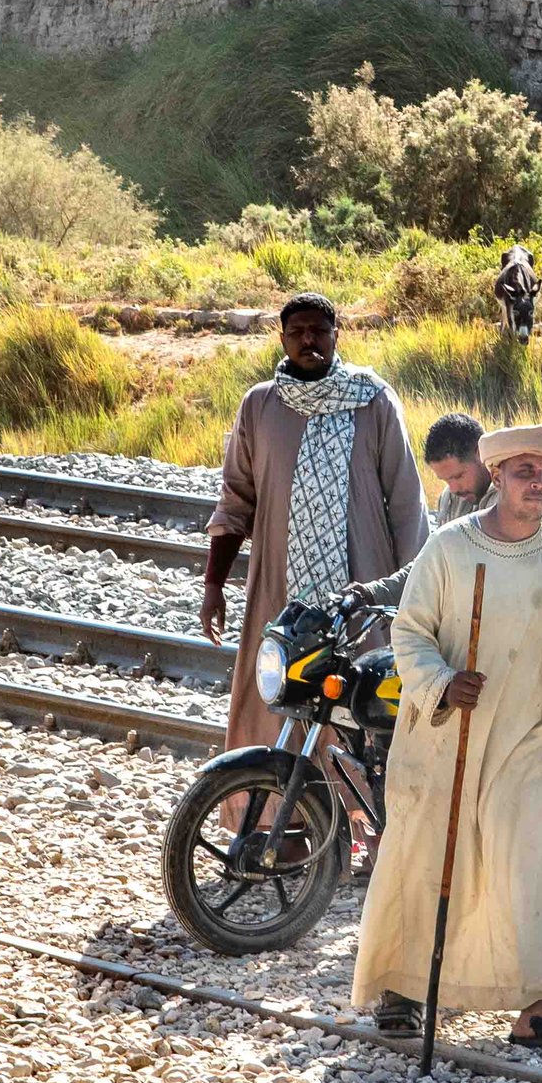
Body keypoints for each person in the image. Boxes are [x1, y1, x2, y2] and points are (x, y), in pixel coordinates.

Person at [349, 423, 542, 1055]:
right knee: (425, 861)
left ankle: (537, 1012)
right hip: (451, 736)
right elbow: (410, 632)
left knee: (537, 867)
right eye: (525, 471)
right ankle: (402, 988)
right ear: (496, 477)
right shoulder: (451, 549)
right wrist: (445, 683)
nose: (539, 483)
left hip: (531, 734)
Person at [201, 294, 430, 755]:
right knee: (278, 699)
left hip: (362, 598)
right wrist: (213, 585)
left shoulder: (373, 399)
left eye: (319, 331)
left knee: (362, 708)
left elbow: (408, 505)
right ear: (282, 340)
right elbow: (235, 504)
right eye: (298, 333)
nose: (309, 340)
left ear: (336, 335)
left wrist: (419, 595)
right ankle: (278, 817)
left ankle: (361, 819)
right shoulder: (259, 407)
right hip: (279, 596)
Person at [345, 412, 494, 611]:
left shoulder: (509, 502)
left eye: (458, 476)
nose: (454, 488)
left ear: (480, 453)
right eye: (446, 480)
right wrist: (370, 593)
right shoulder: (450, 498)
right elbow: (432, 562)